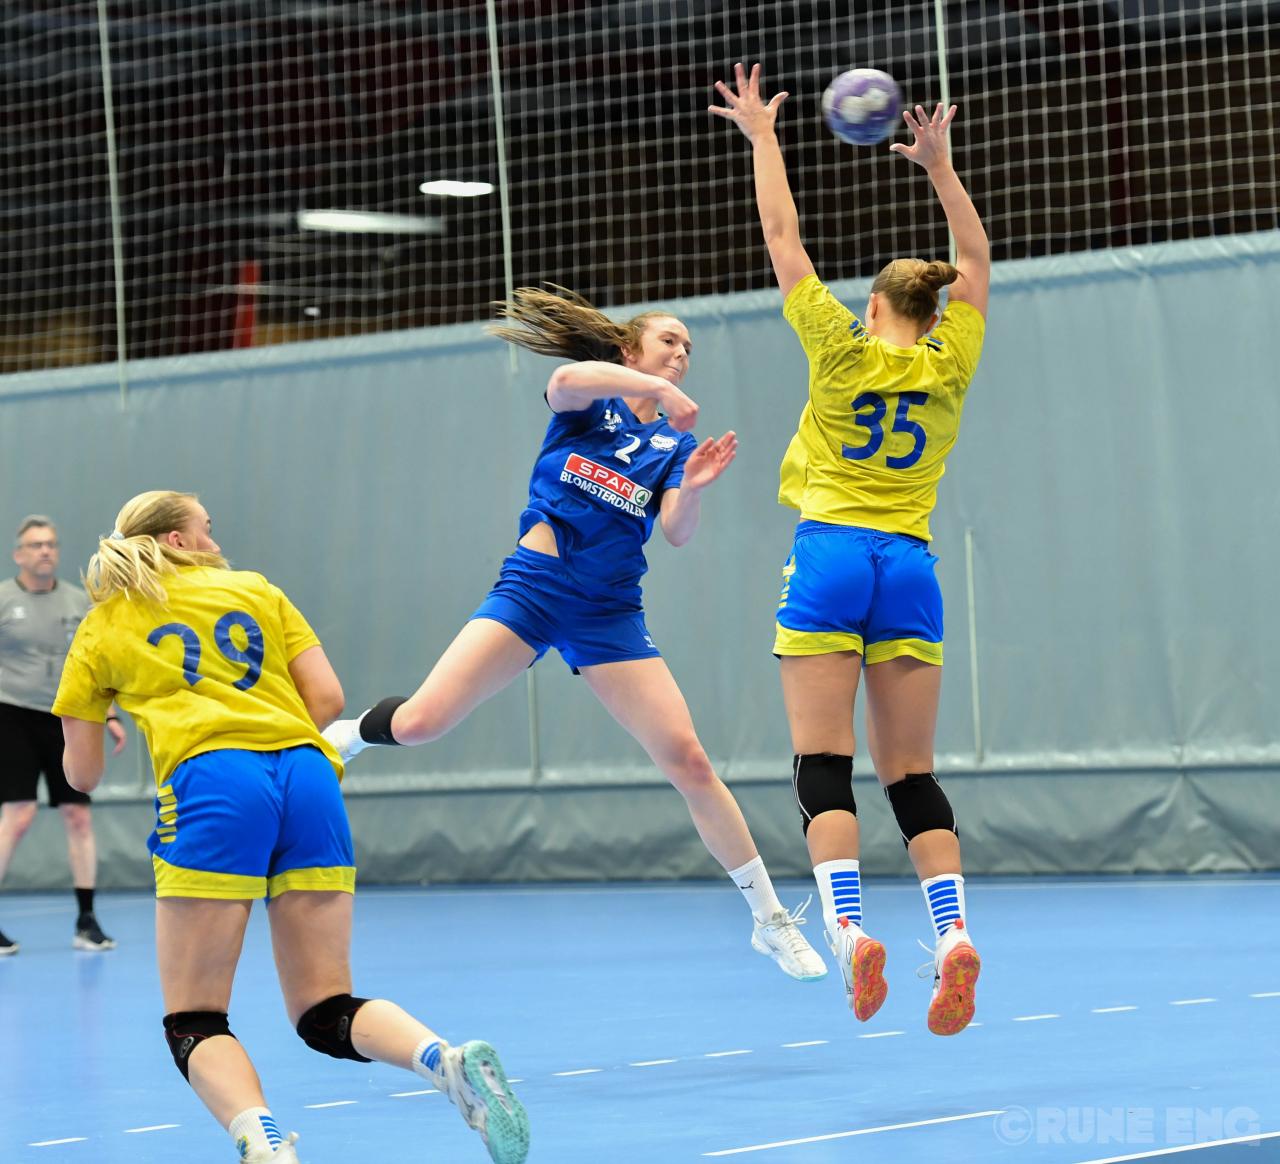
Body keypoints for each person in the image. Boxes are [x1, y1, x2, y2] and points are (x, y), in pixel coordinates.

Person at [323, 285, 826, 983]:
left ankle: (769, 921)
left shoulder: (673, 445)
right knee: (418, 725)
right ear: (629, 351)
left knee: (688, 760)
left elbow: (677, 532)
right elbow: (564, 379)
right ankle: (350, 735)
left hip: (607, 612)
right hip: (531, 593)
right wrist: (655, 386)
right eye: (669, 341)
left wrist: (694, 486)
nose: (681, 354)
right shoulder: (592, 405)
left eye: (689, 348)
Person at [53, 491, 529, 1164]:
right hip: (307, 774)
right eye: (207, 529)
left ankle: (266, 1146)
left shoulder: (103, 624)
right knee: (325, 1010)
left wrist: (104, 713)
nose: (216, 540)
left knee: (194, 1019)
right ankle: (443, 1060)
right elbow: (328, 699)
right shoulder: (256, 589)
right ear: (176, 541)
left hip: (213, 781)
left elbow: (82, 776)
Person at [711, 63, 991, 1035]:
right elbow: (975, 259)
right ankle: (952, 938)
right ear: (935, 315)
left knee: (821, 762)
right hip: (908, 567)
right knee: (910, 772)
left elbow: (782, 239)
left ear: (871, 308)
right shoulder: (951, 362)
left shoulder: (838, 349)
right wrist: (939, 167)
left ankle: (845, 931)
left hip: (831, 553)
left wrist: (762, 136)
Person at [0, 514, 126, 955]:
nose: (45, 551)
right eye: (35, 545)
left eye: (50, 544)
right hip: (11, 715)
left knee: (78, 815)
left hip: (65, 718)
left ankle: (86, 921)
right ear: (18, 555)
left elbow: (95, 665)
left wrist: (110, 715)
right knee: (18, 815)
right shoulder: (3, 600)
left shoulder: (78, 602)